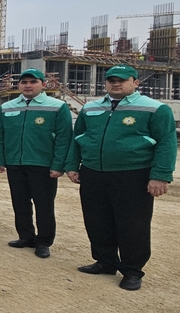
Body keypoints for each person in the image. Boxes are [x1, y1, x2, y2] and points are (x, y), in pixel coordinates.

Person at [65, 65, 177, 291]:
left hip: (133, 174)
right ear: (105, 83)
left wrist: (160, 176)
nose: (116, 84)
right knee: (97, 220)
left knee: (133, 224)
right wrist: (72, 165)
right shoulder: (91, 109)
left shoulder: (155, 109)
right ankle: (105, 261)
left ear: (135, 82)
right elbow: (78, 137)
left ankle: (132, 270)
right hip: (94, 172)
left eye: (122, 80)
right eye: (111, 80)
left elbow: (166, 143)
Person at [0, 68, 72, 259]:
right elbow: (0, 136)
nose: (28, 86)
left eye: (33, 82)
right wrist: (0, 159)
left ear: (43, 84)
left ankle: (44, 241)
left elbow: (64, 138)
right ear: (19, 85)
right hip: (15, 163)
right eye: (24, 82)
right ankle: (26, 236)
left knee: (44, 204)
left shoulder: (57, 107)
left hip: (42, 164)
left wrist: (58, 165)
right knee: (20, 203)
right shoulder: (8, 107)